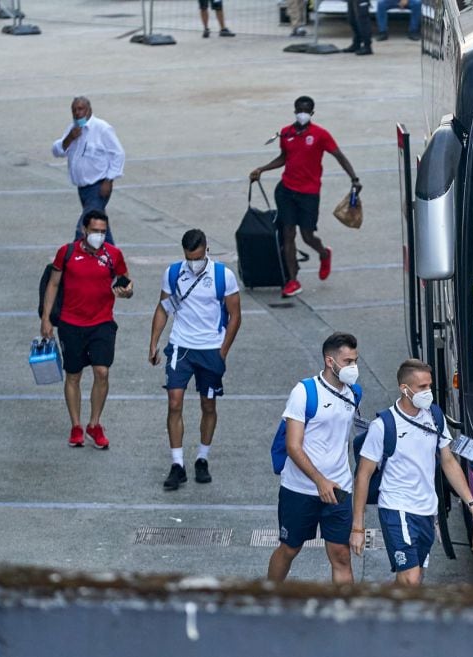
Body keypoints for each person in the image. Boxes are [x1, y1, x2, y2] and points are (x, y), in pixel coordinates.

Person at [351, 359, 473, 586]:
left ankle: (383, 614)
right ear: (404, 389)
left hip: (426, 510)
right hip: (397, 509)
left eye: (429, 386)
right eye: (422, 387)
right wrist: (358, 527)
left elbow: (449, 462)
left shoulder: (435, 416)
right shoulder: (383, 426)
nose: (428, 392)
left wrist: (472, 505)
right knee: (411, 578)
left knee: (413, 579)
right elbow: (363, 476)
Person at [148, 229, 242, 490]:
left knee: (208, 405)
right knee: (174, 402)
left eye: (198, 257)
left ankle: (202, 457)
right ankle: (177, 464)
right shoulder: (173, 273)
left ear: (206, 250)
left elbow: (235, 315)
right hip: (180, 347)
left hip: (211, 349)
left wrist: (222, 352)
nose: (194, 263)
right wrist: (154, 342)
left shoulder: (223, 276)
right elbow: (163, 307)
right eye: (190, 258)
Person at [267, 332, 362, 583]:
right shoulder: (304, 392)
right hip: (299, 489)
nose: (354, 367)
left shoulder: (354, 392)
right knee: (289, 549)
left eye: (355, 361)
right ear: (330, 362)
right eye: (348, 361)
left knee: (341, 555)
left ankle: (345, 617)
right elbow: (293, 446)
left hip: (339, 488)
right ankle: (266, 599)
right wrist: (320, 481)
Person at [249, 97, 363, 298]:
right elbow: (284, 158)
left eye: (306, 110)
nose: (302, 113)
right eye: (299, 109)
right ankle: (292, 280)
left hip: (309, 194)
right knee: (288, 233)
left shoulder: (320, 135)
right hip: (286, 191)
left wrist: (354, 179)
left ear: (312, 113)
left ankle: (323, 253)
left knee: (307, 235)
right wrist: (262, 169)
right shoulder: (286, 133)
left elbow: (339, 156)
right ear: (294, 110)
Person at [40, 210, 134, 449]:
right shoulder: (67, 253)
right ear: (84, 230)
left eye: (103, 232)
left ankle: (94, 423)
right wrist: (46, 318)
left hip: (102, 323)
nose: (99, 236)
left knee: (102, 372)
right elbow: (53, 283)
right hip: (71, 324)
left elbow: (126, 282)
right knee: (73, 375)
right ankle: (76, 426)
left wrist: (127, 292)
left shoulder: (114, 255)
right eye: (95, 231)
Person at [51, 96, 125, 244]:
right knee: (99, 224)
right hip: (82, 188)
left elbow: (118, 154)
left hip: (97, 187)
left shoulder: (102, 128)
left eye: (81, 109)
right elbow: (57, 150)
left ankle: (72, 260)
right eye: (74, 110)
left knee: (84, 226)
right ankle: (113, 260)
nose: (77, 113)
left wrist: (109, 180)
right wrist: (70, 138)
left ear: (89, 110)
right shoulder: (73, 129)